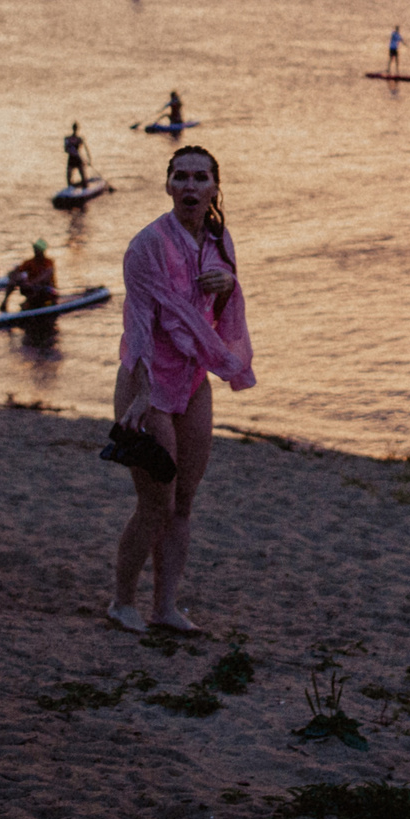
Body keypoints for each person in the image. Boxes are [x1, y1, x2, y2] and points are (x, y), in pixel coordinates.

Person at [109, 144, 253, 633]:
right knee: (156, 504)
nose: (190, 185)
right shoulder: (146, 245)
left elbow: (222, 311)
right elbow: (138, 325)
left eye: (200, 177)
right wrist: (141, 395)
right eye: (181, 176)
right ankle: (122, 602)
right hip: (147, 382)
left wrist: (228, 287)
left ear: (214, 187)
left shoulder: (219, 240)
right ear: (168, 185)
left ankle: (165, 608)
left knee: (184, 503)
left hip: (192, 380)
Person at [5, 238, 58, 308]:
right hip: (32, 288)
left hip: (45, 289)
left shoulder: (48, 263)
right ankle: (5, 302)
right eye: (35, 249)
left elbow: (45, 276)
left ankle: (35, 302)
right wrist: (14, 275)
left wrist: (31, 283)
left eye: (37, 249)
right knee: (14, 280)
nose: (35, 251)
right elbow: (15, 272)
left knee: (39, 289)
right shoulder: (29, 263)